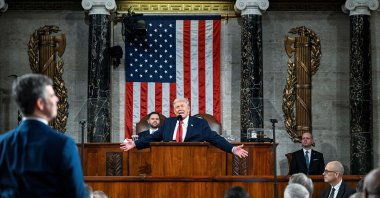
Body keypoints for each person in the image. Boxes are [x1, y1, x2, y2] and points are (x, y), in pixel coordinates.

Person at [0, 74, 87, 197]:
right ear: (40, 103)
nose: (57, 99)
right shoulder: (63, 145)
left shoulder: (2, 143)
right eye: (52, 95)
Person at [121, 98, 248, 158]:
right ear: (174, 111)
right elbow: (153, 137)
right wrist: (136, 144)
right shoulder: (168, 123)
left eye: (182, 106)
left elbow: (214, 137)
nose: (180, 108)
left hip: (193, 161)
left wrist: (231, 148)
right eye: (177, 107)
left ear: (188, 109)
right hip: (168, 161)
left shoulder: (200, 123)